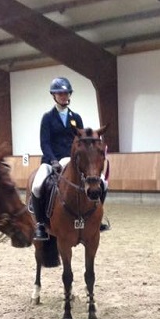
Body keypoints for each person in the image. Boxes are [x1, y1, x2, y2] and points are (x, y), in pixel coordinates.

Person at [30, 77, 109, 241]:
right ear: (54, 95)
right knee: (37, 185)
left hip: (73, 160)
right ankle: (40, 225)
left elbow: (82, 142)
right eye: (60, 94)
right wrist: (52, 160)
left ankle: (97, 217)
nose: (63, 96)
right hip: (52, 160)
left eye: (66, 93)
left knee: (102, 182)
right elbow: (44, 143)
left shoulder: (76, 117)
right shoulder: (47, 118)